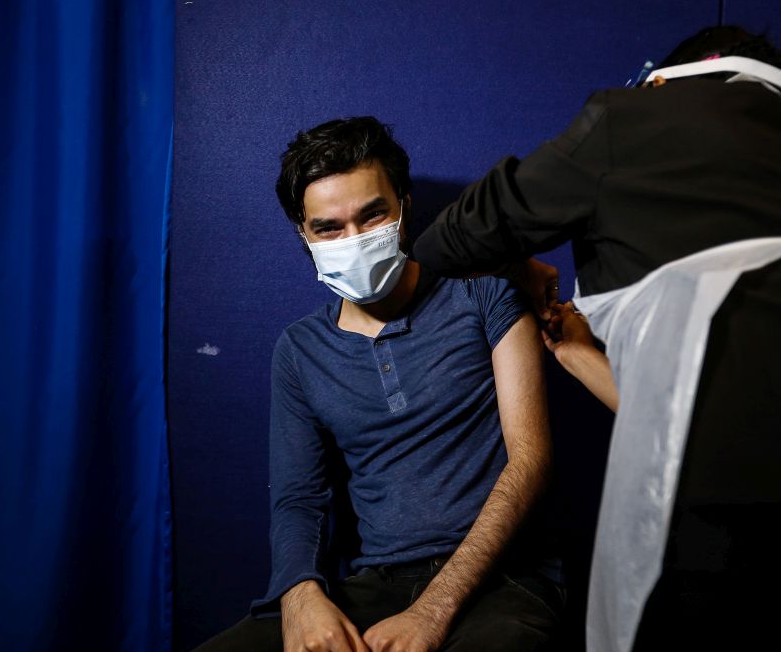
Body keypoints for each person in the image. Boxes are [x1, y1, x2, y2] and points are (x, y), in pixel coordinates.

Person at [413, 26, 781, 651]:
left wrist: (518, 260)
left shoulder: (628, 119)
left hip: (731, 515)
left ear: (664, 80)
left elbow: (448, 243)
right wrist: (579, 356)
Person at [195, 117, 564, 652]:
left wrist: (433, 611)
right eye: (328, 228)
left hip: (507, 580)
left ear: (404, 207)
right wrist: (300, 597)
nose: (354, 240)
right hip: (378, 582)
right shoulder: (299, 351)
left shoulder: (484, 296)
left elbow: (531, 459)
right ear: (304, 233)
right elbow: (298, 499)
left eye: (373, 216)